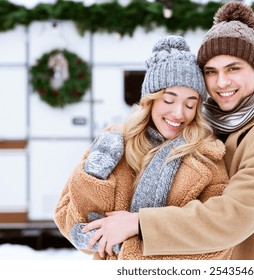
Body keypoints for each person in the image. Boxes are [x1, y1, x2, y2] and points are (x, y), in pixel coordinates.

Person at [82, 0, 254, 260]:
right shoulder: (196, 122)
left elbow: (231, 218)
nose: (221, 82)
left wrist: (139, 223)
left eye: (233, 68)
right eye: (211, 71)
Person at [53, 35, 233, 260]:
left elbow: (215, 241)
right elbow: (73, 224)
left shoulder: (208, 159)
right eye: (169, 100)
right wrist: (94, 176)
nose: (179, 113)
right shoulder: (115, 143)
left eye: (190, 104)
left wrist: (132, 247)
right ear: (151, 100)